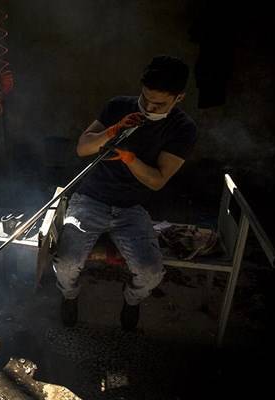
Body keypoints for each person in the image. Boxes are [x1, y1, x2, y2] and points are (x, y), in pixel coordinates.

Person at [54, 55, 197, 330]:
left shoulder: (183, 129)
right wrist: (115, 130)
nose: (149, 107)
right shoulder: (120, 106)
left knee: (151, 272)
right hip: (90, 199)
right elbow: (83, 148)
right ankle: (69, 296)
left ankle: (132, 299)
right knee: (66, 263)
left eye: (159, 104)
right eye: (145, 99)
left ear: (179, 98)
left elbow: (157, 180)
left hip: (131, 207)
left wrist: (129, 158)